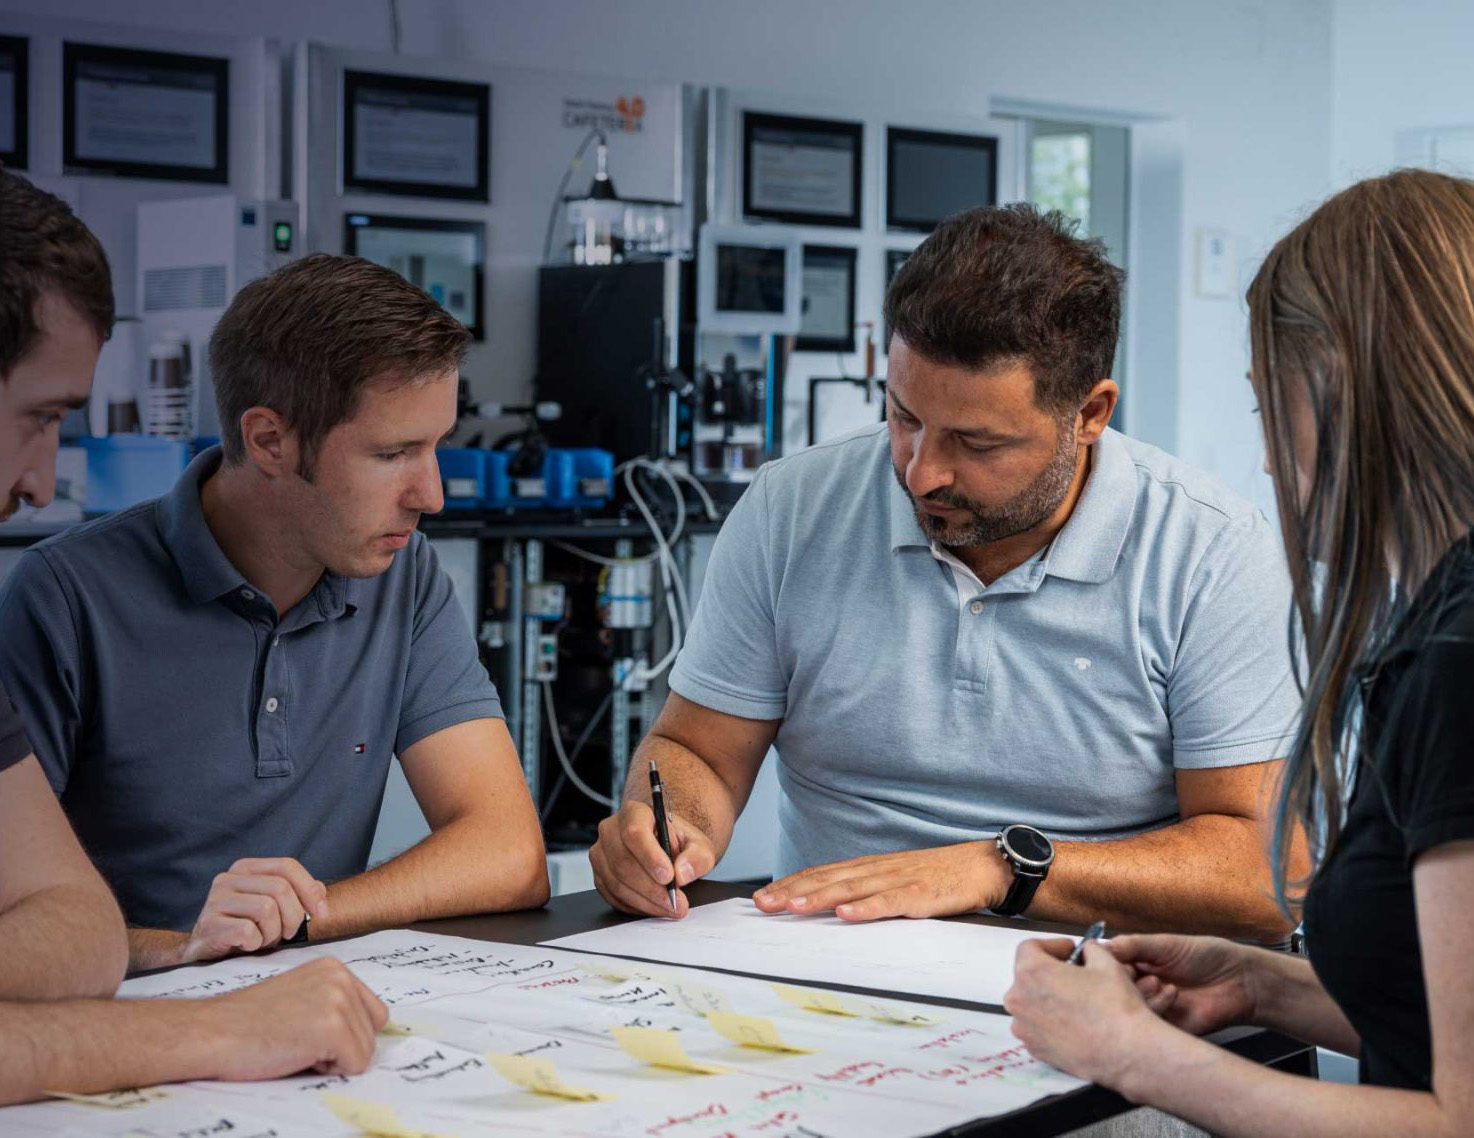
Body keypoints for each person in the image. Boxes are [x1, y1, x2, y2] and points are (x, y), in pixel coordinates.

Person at [590, 203, 1303, 940]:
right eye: (903, 417)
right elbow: (696, 750)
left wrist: (1002, 870)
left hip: (1105, 983)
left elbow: (1263, 870)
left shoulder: (1211, 553)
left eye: (977, 443)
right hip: (825, 969)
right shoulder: (791, 509)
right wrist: (668, 827)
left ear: (1089, 414)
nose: (922, 472)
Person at [1004, 169, 1474, 1135]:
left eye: (1271, 410)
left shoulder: (1458, 665)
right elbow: (1436, 1018)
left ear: (1350, 389)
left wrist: (1132, 1057)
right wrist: (1261, 987)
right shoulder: (1440, 626)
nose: (1267, 459)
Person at [0, 249, 548, 975]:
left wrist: (298, 921)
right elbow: (13, 927)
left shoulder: (402, 574)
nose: (432, 494)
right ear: (269, 441)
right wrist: (189, 950)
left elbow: (509, 852)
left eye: (437, 447)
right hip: (126, 1020)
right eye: (394, 453)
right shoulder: (66, 597)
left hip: (305, 1006)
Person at [0, 168, 388, 1106]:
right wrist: (214, 1027)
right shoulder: (65, 590)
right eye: (39, 419)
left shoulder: (399, 582)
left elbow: (80, 926)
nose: (41, 486)